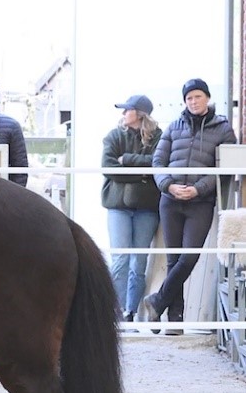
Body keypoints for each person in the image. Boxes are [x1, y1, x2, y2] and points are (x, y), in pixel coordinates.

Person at [144, 78, 238, 334]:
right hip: (170, 201)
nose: (193, 102)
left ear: (207, 98)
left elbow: (225, 169)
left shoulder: (223, 129)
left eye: (198, 96)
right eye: (189, 98)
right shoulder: (174, 127)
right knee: (174, 259)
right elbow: (158, 162)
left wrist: (198, 188)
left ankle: (157, 302)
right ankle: (175, 322)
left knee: (189, 256)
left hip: (200, 202)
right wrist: (168, 186)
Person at [100, 94, 162, 323]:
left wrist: (126, 160)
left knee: (139, 262)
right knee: (120, 259)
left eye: (128, 109)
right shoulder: (114, 135)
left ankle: (130, 312)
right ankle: (114, 314)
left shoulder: (158, 137)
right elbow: (109, 168)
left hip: (147, 207)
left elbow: (157, 164)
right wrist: (142, 174)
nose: (124, 113)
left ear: (140, 113)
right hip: (118, 206)